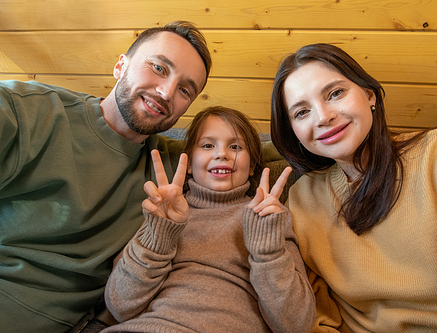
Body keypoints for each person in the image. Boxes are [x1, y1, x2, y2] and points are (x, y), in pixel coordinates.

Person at [0, 21, 212, 333]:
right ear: (120, 65)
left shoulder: (172, 167)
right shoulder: (31, 111)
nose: (167, 92)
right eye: (158, 67)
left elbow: (265, 152)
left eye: (185, 90)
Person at [270, 42, 437, 332]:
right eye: (302, 112)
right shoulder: (302, 201)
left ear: (369, 95)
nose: (323, 117)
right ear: (294, 132)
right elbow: (315, 317)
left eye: (335, 93)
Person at [102, 106, 316, 332]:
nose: (221, 154)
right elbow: (120, 306)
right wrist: (159, 234)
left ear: (252, 165)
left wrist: (268, 252)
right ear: (190, 164)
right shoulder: (165, 210)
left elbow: (297, 325)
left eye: (235, 146)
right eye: (207, 145)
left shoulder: (270, 216)